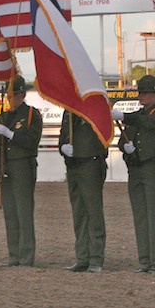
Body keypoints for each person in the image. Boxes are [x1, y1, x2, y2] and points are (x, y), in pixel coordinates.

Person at [111, 75, 155, 274]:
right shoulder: (137, 116)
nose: (143, 96)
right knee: (140, 216)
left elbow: (152, 123)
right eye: (141, 92)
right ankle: (144, 261)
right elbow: (124, 139)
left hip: (153, 167)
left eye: (147, 92)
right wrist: (126, 147)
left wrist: (125, 117)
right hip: (136, 168)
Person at [0, 75, 43, 267]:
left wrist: (11, 134)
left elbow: (31, 141)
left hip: (23, 165)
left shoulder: (31, 115)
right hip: (6, 167)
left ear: (22, 95)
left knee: (24, 211)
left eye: (13, 95)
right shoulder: (2, 117)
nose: (10, 99)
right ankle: (14, 254)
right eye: (8, 96)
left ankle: (27, 256)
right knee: (10, 212)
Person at [59, 109, 108, 273]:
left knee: (93, 212)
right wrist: (62, 147)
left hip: (90, 163)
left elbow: (102, 137)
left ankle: (96, 258)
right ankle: (82, 257)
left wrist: (80, 148)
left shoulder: (94, 107)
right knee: (79, 213)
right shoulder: (68, 111)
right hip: (73, 166)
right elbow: (63, 135)